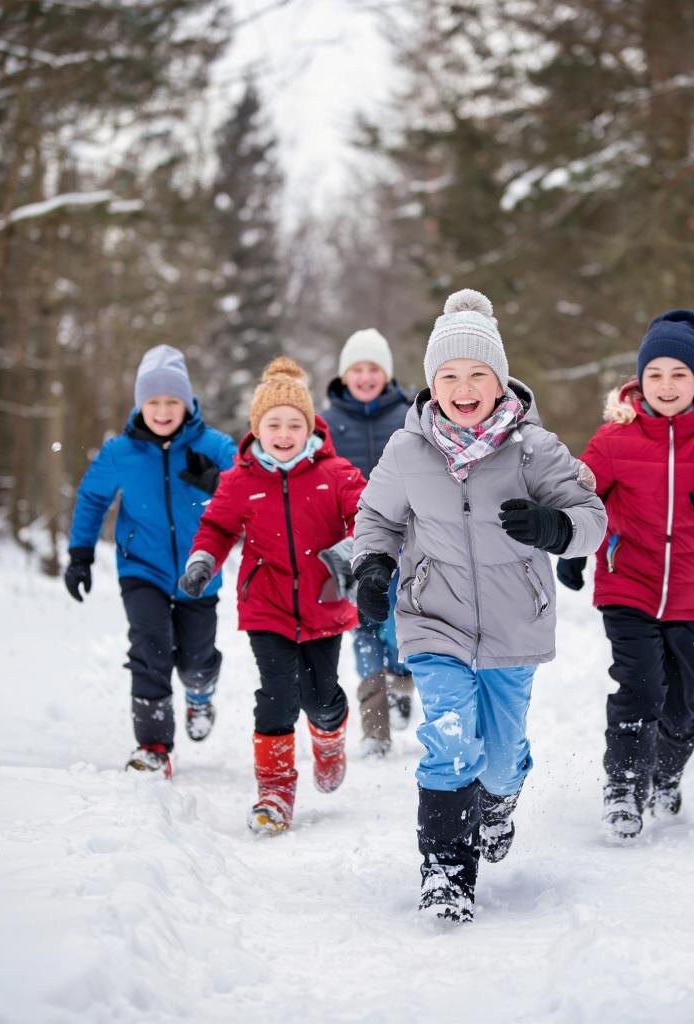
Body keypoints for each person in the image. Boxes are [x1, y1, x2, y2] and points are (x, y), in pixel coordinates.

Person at [352, 289, 607, 922]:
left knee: (495, 758)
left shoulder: (533, 449)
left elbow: (592, 517)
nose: (464, 388)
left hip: (513, 623)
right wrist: (373, 565)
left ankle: (499, 796)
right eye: (449, 376)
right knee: (448, 739)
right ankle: (445, 875)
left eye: (477, 375)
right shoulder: (407, 451)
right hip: (431, 618)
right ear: (432, 383)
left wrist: (555, 529)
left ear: (499, 381)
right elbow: (376, 517)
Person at [556, 309, 694, 839]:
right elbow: (580, 498)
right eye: (655, 374)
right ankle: (623, 788)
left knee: (683, 704)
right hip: (627, 584)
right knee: (640, 688)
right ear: (639, 381)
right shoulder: (614, 440)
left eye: (679, 374)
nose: (667, 385)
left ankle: (666, 774)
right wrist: (571, 547)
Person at [179, 357, 365, 835]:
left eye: (294, 424)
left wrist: (348, 554)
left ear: (310, 427)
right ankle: (274, 792)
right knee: (277, 696)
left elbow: (367, 518)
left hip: (325, 602)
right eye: (272, 424)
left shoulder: (336, 473)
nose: (284, 433)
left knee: (321, 697)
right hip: (267, 606)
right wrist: (203, 560)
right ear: (256, 428)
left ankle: (328, 737)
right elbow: (217, 527)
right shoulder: (239, 481)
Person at [64, 344, 236, 778]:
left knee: (195, 661)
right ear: (140, 404)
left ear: (188, 403)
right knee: (150, 649)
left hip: (201, 571)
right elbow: (91, 497)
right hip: (141, 569)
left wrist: (217, 481)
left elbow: (251, 486)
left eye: (171, 401)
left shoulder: (213, 445)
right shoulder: (120, 452)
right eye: (153, 402)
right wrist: (80, 554)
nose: (162, 410)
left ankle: (200, 693)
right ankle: (154, 746)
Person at [322, 328, 414, 755]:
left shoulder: (409, 415)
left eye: (373, 368)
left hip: (407, 542)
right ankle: (374, 727)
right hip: (352, 545)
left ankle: (401, 679)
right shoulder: (328, 423)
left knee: (399, 625)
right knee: (362, 630)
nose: (364, 376)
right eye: (356, 369)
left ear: (386, 374)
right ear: (344, 375)